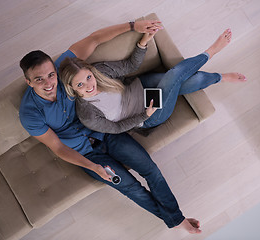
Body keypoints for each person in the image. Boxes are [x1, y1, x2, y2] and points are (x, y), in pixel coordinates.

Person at [19, 20, 201, 234]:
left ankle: (176, 219)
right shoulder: (29, 114)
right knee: (130, 187)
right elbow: (58, 148)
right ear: (28, 82)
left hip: (107, 132)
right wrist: (92, 166)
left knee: (150, 170)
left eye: (51, 75)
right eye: (39, 79)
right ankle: (177, 220)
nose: (49, 83)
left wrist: (134, 26)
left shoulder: (63, 70)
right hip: (87, 155)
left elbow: (94, 39)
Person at [58, 28, 246, 134]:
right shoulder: (87, 114)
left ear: (91, 72)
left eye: (88, 77)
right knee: (174, 76)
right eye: (80, 85)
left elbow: (130, 65)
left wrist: (143, 42)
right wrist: (145, 116)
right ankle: (212, 51)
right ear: (72, 89)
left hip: (143, 86)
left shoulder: (99, 71)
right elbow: (115, 128)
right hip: (148, 114)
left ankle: (221, 77)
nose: (90, 85)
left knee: (186, 80)